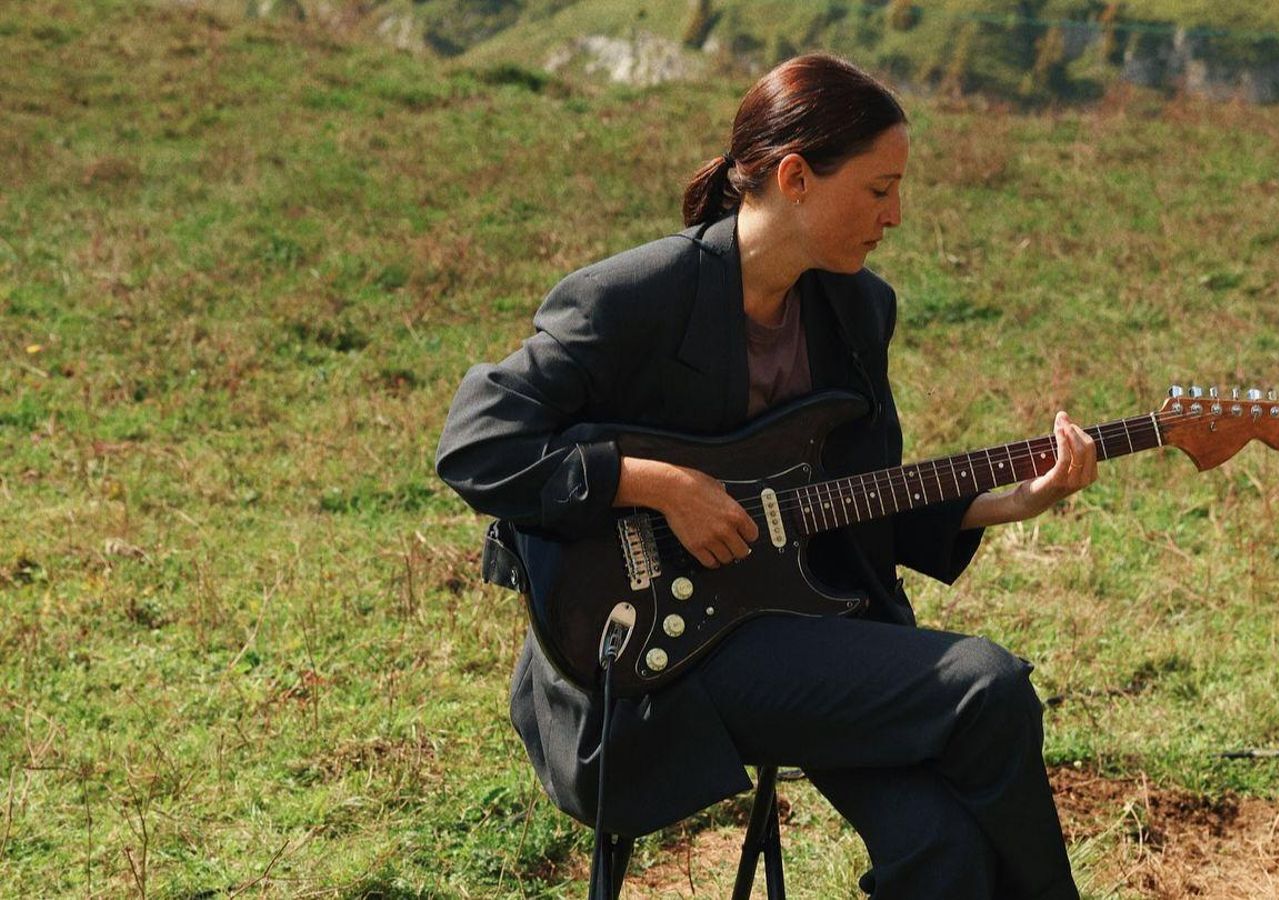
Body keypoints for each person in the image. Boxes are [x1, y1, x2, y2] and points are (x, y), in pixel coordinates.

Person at [436, 53, 1095, 900]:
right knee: (985, 684)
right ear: (795, 177)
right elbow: (475, 442)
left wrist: (1017, 499)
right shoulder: (631, 298)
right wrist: (657, 485)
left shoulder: (857, 308)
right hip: (653, 657)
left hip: (800, 622)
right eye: (878, 188)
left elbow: (859, 494)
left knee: (944, 851)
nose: (896, 215)